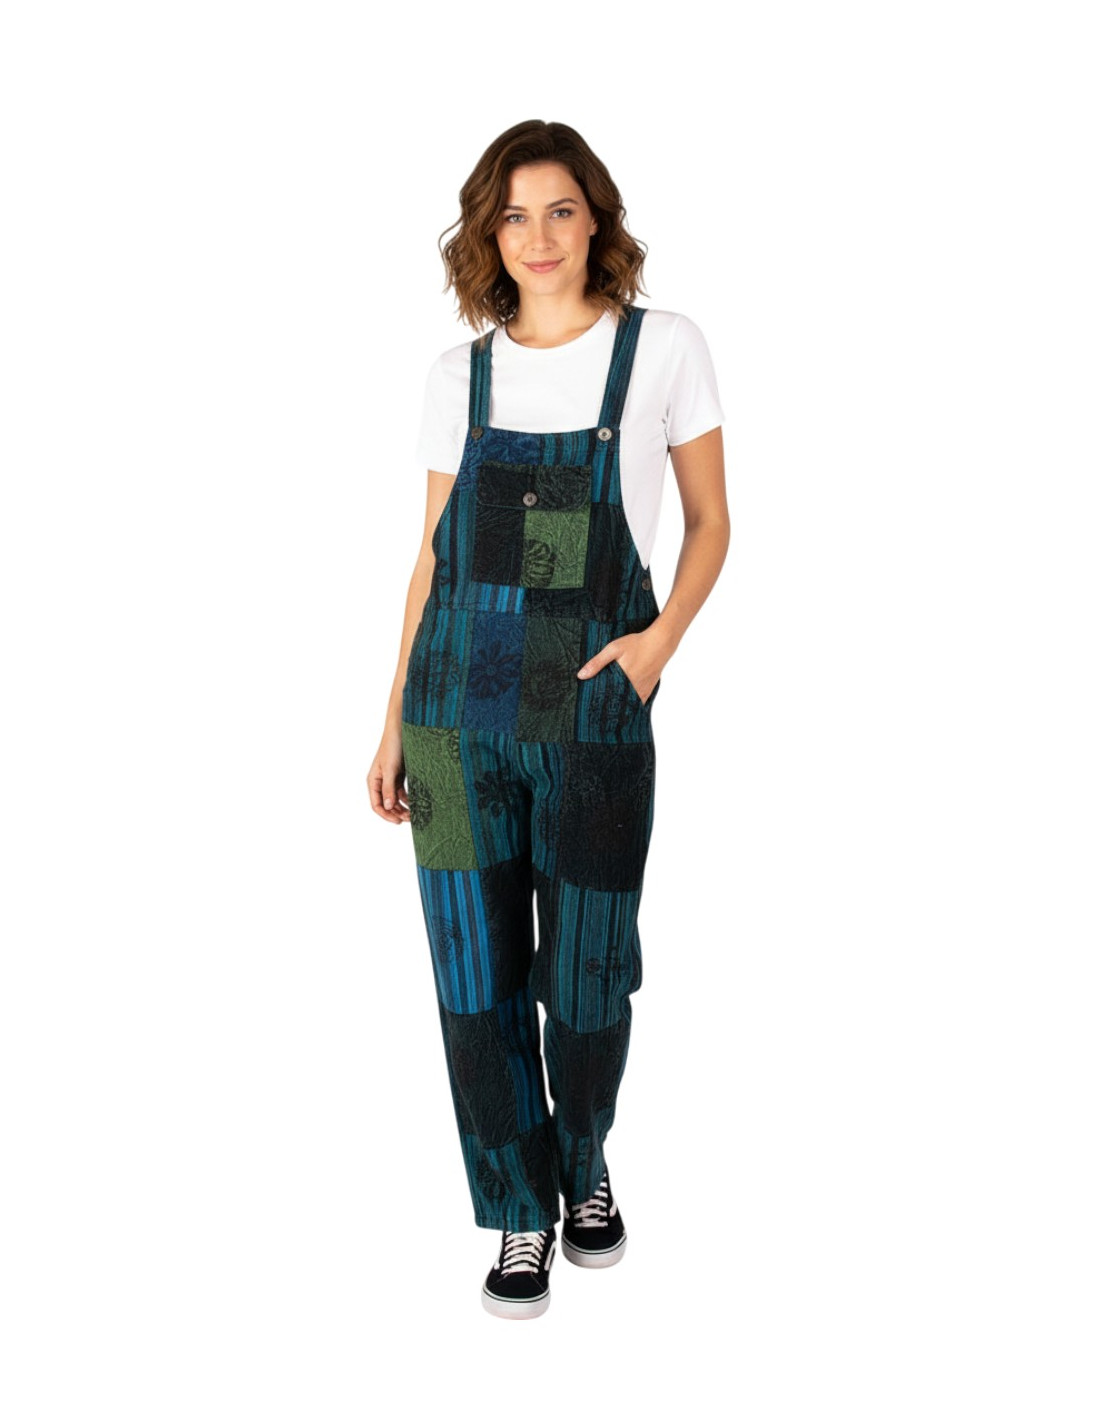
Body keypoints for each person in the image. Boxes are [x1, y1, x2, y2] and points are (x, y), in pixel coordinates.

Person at [367, 119, 729, 1319]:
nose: (537, 236)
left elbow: (710, 523)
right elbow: (432, 559)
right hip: (454, 714)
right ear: (487, 233)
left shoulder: (661, 349)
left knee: (586, 973)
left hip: (589, 710)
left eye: (559, 210)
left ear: (595, 220)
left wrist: (654, 648)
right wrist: (391, 719)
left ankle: (583, 1160)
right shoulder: (457, 375)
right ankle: (518, 1208)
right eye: (513, 215)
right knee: (474, 981)